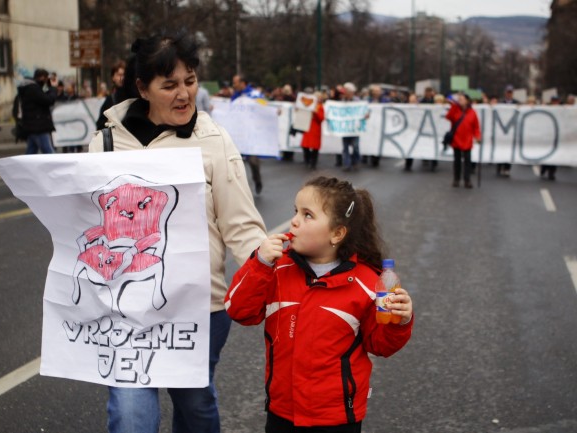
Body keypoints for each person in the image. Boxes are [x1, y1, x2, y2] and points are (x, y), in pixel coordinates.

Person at [89, 31, 267, 433]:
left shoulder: (213, 140)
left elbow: (241, 225)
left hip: (199, 309)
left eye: (190, 81)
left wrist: (282, 275)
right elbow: (82, 227)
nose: (184, 93)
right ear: (142, 88)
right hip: (127, 309)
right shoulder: (104, 144)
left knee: (195, 406)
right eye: (169, 85)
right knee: (130, 413)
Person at [225, 175, 413, 432]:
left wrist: (399, 321)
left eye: (307, 215)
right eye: (295, 211)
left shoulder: (367, 283)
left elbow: (380, 344)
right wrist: (260, 263)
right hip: (282, 411)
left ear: (337, 233)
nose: (294, 220)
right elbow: (239, 310)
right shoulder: (276, 268)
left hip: (336, 417)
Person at [232, 73, 264, 194]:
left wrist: (274, 111)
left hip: (251, 134)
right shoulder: (235, 95)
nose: (233, 85)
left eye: (235, 82)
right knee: (235, 161)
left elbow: (264, 105)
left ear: (242, 83)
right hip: (238, 133)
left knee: (253, 161)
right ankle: (239, 188)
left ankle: (257, 180)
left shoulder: (254, 94)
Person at [16, 68, 57, 154]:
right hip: (38, 126)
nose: (46, 82)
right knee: (49, 153)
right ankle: (57, 167)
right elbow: (48, 100)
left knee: (31, 152)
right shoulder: (33, 89)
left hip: (32, 125)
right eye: (46, 79)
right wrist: (53, 88)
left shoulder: (28, 88)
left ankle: (25, 167)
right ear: (42, 77)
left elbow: (41, 98)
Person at [446, 93, 482, 189]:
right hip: (457, 139)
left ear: (467, 101)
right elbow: (448, 117)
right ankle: (456, 179)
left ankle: (467, 180)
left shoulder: (472, 112)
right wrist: (453, 106)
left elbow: (476, 127)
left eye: (462, 99)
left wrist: (478, 136)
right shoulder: (455, 110)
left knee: (467, 162)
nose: (460, 101)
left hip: (467, 140)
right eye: (459, 99)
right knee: (457, 161)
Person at [341, 82, 368, 172]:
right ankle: (347, 164)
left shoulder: (358, 101)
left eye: (346, 91)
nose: (345, 92)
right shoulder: (342, 101)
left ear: (351, 92)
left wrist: (367, 115)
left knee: (355, 146)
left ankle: (355, 161)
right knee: (345, 147)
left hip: (355, 128)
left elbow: (365, 110)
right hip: (345, 128)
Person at [96, 61, 126, 130]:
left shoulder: (133, 96)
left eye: (124, 75)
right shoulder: (110, 99)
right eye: (119, 75)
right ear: (113, 78)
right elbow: (100, 125)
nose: (122, 78)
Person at [497, 85, 519, 177]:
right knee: (501, 149)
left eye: (510, 92)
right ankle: (500, 166)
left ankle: (507, 168)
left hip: (511, 131)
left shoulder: (517, 103)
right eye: (508, 92)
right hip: (502, 130)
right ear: (505, 93)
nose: (509, 94)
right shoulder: (500, 103)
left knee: (509, 149)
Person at [300, 91, 325, 170]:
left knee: (315, 148)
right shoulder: (309, 105)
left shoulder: (320, 107)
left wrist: (316, 112)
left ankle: (313, 163)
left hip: (315, 129)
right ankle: (307, 160)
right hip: (307, 128)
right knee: (305, 146)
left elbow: (321, 118)